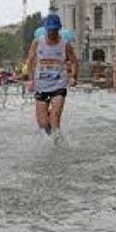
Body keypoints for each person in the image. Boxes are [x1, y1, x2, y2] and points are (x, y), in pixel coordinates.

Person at [26, 14, 79, 142]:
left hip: (58, 85)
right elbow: (30, 61)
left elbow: (74, 61)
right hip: (41, 86)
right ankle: (54, 139)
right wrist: (31, 80)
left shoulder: (65, 44)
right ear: (46, 29)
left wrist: (73, 77)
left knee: (55, 119)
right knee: (43, 124)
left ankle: (58, 146)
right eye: (50, 30)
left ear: (59, 29)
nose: (52, 33)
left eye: (55, 30)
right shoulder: (38, 42)